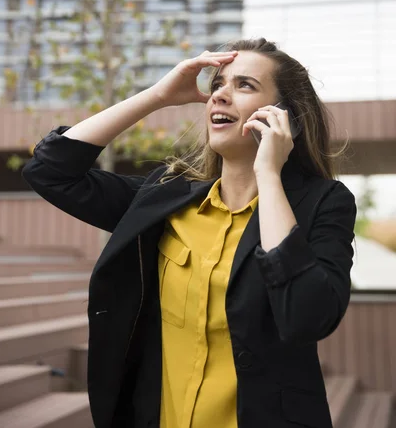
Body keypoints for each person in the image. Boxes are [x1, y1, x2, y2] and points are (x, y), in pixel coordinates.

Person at [22, 38, 357, 428]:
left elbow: (307, 317)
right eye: (218, 85)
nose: (220, 95)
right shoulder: (165, 195)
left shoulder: (325, 203)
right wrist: (158, 96)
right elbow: (50, 171)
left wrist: (269, 173)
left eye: (244, 85)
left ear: (286, 117)